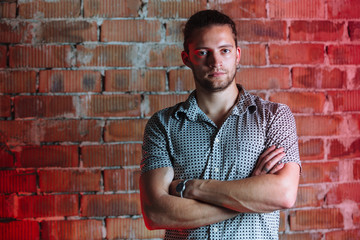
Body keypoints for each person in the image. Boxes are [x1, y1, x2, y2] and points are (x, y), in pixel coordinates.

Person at [140, 10, 301, 239]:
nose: (216, 62)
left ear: (237, 54)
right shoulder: (163, 125)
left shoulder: (274, 117)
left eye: (224, 50)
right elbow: (156, 213)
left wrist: (192, 188)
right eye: (203, 52)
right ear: (187, 58)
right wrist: (249, 197)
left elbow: (283, 194)